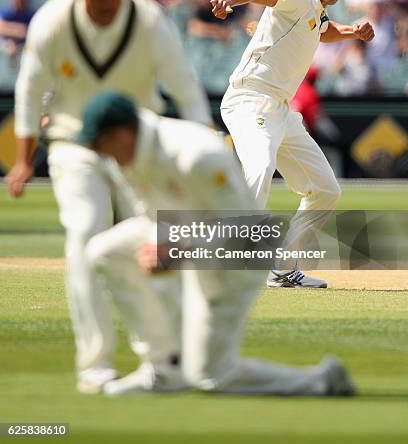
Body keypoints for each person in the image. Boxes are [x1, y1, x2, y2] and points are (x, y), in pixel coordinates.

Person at [6, 0, 212, 394]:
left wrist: (198, 147)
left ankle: (166, 356)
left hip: (142, 146)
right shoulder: (51, 22)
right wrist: (23, 160)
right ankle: (95, 363)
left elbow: (186, 89)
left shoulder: (151, 19)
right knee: (85, 233)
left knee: (161, 238)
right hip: (73, 144)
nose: (104, 4)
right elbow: (29, 90)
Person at [81, 90, 355, 396]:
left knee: (211, 375)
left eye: (100, 144)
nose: (100, 153)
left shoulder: (195, 156)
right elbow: (153, 218)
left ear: (120, 134)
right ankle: (162, 368)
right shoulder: (126, 155)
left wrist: (179, 253)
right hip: (184, 239)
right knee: (102, 252)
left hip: (236, 261)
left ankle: (322, 380)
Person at [211, 0, 375, 288]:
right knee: (260, 165)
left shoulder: (316, 11)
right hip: (250, 99)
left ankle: (283, 269)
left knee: (325, 189)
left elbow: (323, 31)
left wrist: (353, 31)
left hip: (281, 111)